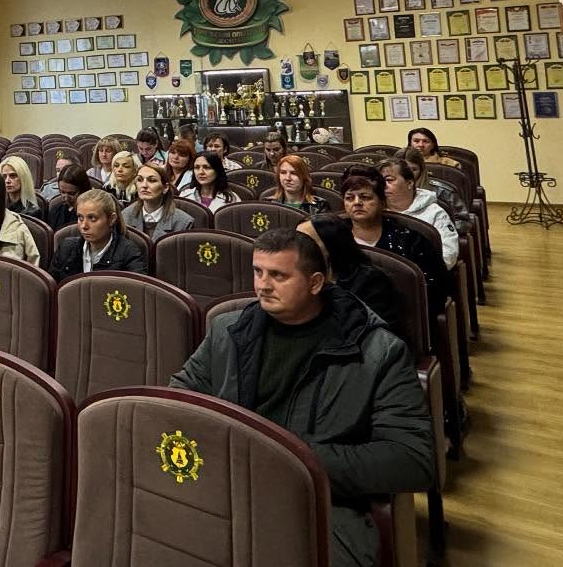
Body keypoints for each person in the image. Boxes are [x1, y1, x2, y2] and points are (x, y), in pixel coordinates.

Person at [170, 227, 433, 567]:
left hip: (321, 502)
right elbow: (180, 401)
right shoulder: (227, 331)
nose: (263, 285)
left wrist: (294, 461)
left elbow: (412, 459)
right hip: (227, 487)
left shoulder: (377, 351)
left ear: (315, 283)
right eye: (258, 271)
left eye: (278, 275)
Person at [342, 168, 449, 318]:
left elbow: (435, 289)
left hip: (401, 318)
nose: (357, 203)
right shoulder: (334, 239)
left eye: (365, 197)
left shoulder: (412, 241)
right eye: (349, 198)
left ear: (382, 202)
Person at [299, 214, 406, 338]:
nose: (296, 248)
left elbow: (377, 332)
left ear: (330, 245)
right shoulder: (298, 277)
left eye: (304, 241)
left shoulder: (370, 281)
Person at [49, 189, 148, 281]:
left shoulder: (129, 252)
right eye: (80, 217)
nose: (84, 226)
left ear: (111, 219)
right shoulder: (66, 248)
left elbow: (137, 290)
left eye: (92, 218)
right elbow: (53, 288)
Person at [380, 156, 459, 269]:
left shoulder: (435, 213)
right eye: (380, 181)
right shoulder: (375, 212)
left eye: (389, 180)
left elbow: (449, 254)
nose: (383, 185)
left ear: (409, 183)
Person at [119, 162, 194, 239]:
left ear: (165, 188)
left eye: (152, 180)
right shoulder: (125, 216)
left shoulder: (183, 222)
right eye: (139, 180)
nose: (144, 185)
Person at [48, 164, 92, 230]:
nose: (66, 198)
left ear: (83, 190)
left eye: (71, 193)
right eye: (63, 192)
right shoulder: (55, 210)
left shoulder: (92, 212)